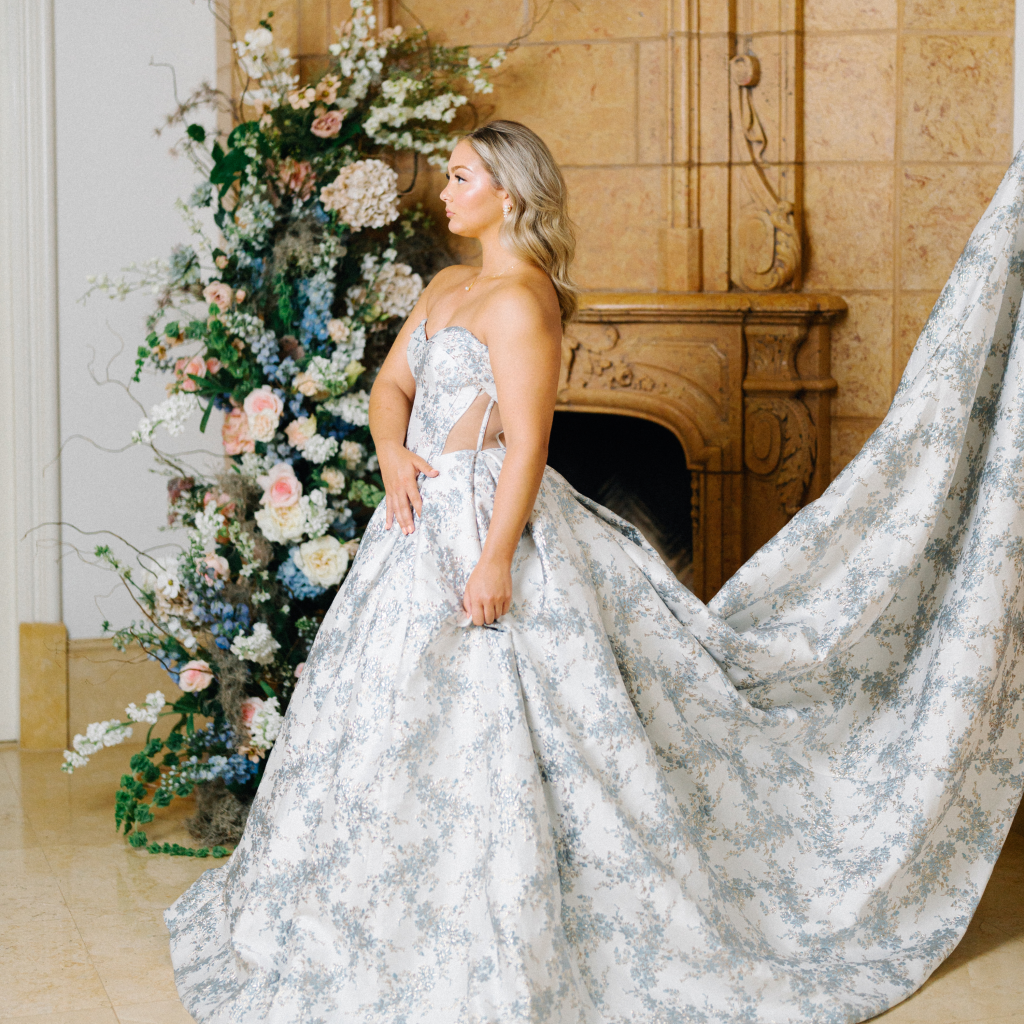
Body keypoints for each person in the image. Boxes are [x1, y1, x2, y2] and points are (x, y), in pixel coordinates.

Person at [166, 121, 1024, 1024]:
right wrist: (390, 452)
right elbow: (391, 389)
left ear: (509, 194)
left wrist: (494, 559)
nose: (446, 192)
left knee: (508, 718)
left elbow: (529, 445)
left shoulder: (522, 300)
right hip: (411, 529)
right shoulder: (447, 285)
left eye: (461, 178)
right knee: (380, 714)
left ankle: (501, 917)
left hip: (485, 524)